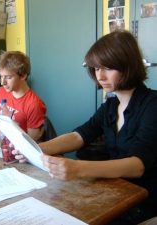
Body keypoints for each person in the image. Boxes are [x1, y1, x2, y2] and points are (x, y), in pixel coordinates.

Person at [14, 30, 157, 224]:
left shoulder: (152, 104)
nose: (101, 76)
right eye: (97, 68)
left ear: (128, 66)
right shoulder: (111, 106)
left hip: (145, 200)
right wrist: (36, 148)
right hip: (117, 191)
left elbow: (137, 166)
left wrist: (78, 168)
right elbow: (79, 135)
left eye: (108, 68)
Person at [0, 51, 46, 142]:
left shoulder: (34, 104)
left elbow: (32, 142)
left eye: (8, 77)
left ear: (23, 76)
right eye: (1, 76)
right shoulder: (1, 91)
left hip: (15, 150)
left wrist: (12, 126)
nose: (2, 82)